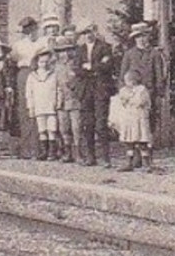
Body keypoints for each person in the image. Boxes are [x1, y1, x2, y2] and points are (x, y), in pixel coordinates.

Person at [112, 22, 163, 171]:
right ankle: (134, 158)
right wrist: (123, 93)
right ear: (134, 39)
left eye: (144, 36)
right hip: (131, 96)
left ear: (148, 37)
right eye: (138, 37)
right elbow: (122, 75)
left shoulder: (154, 53)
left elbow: (159, 75)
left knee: (147, 127)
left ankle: (148, 160)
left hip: (148, 95)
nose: (142, 39)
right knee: (131, 126)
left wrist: (158, 93)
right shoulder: (129, 54)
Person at [77, 23, 117, 167]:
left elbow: (107, 66)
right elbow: (77, 69)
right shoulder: (80, 50)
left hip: (100, 88)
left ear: (95, 31)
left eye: (90, 31)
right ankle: (90, 156)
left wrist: (90, 67)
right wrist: (94, 68)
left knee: (101, 124)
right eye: (85, 32)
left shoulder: (105, 47)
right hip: (86, 89)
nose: (88, 35)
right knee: (88, 124)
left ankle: (105, 157)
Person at [9, 17, 45, 157]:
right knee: (24, 109)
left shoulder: (43, 42)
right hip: (23, 74)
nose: (30, 33)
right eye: (27, 31)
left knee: (38, 108)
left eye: (32, 30)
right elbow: (12, 64)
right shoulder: (18, 45)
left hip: (38, 73)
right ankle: (25, 148)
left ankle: (39, 148)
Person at [53, 25, 84, 163]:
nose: (64, 54)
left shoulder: (76, 64)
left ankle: (78, 152)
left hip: (74, 98)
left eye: (66, 51)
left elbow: (81, 79)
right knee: (63, 127)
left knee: (76, 126)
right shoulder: (55, 66)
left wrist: (74, 84)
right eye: (61, 51)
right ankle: (67, 152)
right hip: (61, 99)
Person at [26, 43, 61, 160]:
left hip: (51, 105)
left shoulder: (53, 74)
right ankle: (43, 151)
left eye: (46, 62)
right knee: (42, 129)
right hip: (39, 105)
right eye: (41, 62)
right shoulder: (32, 76)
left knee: (52, 129)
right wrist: (30, 107)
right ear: (37, 62)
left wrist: (58, 102)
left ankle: (52, 152)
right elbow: (29, 93)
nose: (44, 64)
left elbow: (58, 89)